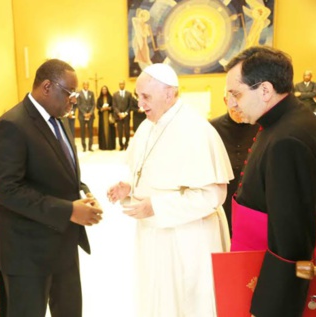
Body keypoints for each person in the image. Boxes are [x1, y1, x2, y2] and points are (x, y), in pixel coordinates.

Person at [107, 63, 233, 317]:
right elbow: (151, 172)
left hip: (187, 238)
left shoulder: (196, 130)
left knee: (186, 302)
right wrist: (129, 186)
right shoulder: (146, 127)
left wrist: (156, 206)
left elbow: (212, 195)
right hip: (154, 235)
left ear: (169, 93)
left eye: (146, 96)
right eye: (138, 96)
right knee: (157, 299)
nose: (140, 104)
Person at [0, 59, 103, 317]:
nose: (73, 99)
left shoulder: (58, 120)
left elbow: (63, 170)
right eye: (69, 92)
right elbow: (7, 189)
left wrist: (83, 193)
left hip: (62, 243)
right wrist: (68, 211)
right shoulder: (12, 125)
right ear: (48, 86)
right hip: (27, 250)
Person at [225, 46, 316, 316]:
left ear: (265, 90)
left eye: (236, 93)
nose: (232, 103)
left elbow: (291, 242)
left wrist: (270, 308)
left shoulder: (287, 140)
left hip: (276, 286)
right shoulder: (283, 123)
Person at [210, 95, 259, 236]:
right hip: (223, 194)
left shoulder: (258, 125)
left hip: (251, 195)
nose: (237, 110)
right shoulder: (212, 127)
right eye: (232, 105)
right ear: (225, 101)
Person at [113, 80, 132, 150]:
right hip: (118, 116)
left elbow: (130, 105)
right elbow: (114, 106)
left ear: (124, 84)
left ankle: (126, 144)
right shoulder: (115, 94)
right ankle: (121, 145)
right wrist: (119, 113)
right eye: (120, 84)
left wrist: (125, 113)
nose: (121, 85)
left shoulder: (129, 94)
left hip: (126, 116)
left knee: (127, 131)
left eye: (123, 84)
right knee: (120, 131)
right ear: (119, 85)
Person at [77, 81, 95, 151]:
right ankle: (84, 146)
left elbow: (93, 104)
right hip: (82, 115)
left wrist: (90, 113)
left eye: (87, 84)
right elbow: (78, 104)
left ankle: (90, 146)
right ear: (83, 85)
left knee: (90, 131)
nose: (86, 85)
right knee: (83, 131)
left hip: (90, 115)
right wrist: (84, 113)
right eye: (85, 84)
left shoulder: (91, 93)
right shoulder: (79, 93)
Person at [96, 85, 116, 150]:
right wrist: (101, 109)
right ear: (101, 91)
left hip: (109, 116)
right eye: (103, 89)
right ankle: (103, 146)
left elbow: (114, 105)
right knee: (102, 130)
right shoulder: (99, 98)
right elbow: (98, 106)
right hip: (102, 117)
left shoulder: (111, 98)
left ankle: (110, 146)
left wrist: (109, 108)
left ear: (107, 90)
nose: (104, 90)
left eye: (105, 89)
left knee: (110, 131)